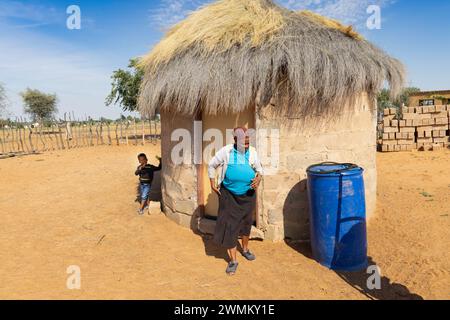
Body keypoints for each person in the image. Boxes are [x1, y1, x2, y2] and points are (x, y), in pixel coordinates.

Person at [208, 127, 263, 275]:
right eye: (243, 142)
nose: (246, 144)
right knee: (230, 226)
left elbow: (259, 170)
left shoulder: (252, 152)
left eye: (247, 141)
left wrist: (258, 179)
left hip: (248, 195)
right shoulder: (227, 151)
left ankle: (245, 249)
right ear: (235, 140)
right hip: (229, 195)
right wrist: (212, 183)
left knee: (246, 223)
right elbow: (212, 164)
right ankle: (233, 261)